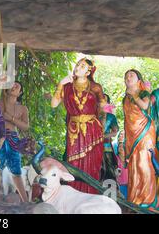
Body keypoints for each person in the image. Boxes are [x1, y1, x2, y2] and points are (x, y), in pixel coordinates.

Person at [51, 58, 106, 194]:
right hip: (74, 130)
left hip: (93, 130)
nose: (77, 67)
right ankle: (74, 194)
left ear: (88, 72)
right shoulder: (67, 86)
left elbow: (104, 107)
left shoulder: (95, 87)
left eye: (82, 66)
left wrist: (113, 110)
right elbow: (53, 104)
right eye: (77, 65)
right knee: (73, 163)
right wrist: (60, 84)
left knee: (92, 164)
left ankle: (90, 194)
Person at [0, 81, 33, 202]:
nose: (13, 87)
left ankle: (25, 201)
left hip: (14, 139)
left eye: (17, 86)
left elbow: (26, 127)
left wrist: (11, 119)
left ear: (20, 93)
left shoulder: (22, 108)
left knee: (16, 171)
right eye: (12, 84)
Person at [123, 69, 157, 207]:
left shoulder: (143, 93)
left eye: (131, 75)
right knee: (134, 165)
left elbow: (145, 105)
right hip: (132, 135)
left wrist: (135, 96)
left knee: (144, 164)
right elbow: (127, 119)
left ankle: (147, 200)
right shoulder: (125, 98)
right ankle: (134, 199)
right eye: (126, 76)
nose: (128, 77)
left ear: (139, 80)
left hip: (144, 132)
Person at [100, 94, 119, 182]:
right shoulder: (92, 115)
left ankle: (111, 189)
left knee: (108, 169)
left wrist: (103, 136)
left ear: (107, 103)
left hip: (106, 146)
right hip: (92, 146)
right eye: (100, 99)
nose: (102, 101)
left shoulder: (111, 117)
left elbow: (115, 132)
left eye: (104, 100)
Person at [112, 130, 128, 199]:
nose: (120, 148)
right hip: (120, 186)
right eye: (119, 146)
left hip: (129, 186)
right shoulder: (116, 160)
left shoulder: (129, 161)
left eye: (122, 147)